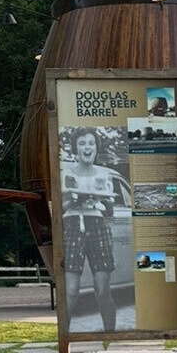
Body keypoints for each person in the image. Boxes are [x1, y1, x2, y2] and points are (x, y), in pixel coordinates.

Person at [61, 127, 127, 331]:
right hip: (73, 226)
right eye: (82, 144)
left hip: (97, 226)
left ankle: (110, 336)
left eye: (91, 143)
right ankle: (65, 338)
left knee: (102, 290)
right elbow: (61, 207)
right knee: (71, 291)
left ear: (96, 148)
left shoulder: (105, 174)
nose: (87, 147)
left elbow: (109, 211)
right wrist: (75, 200)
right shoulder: (67, 174)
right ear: (76, 149)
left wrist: (102, 201)